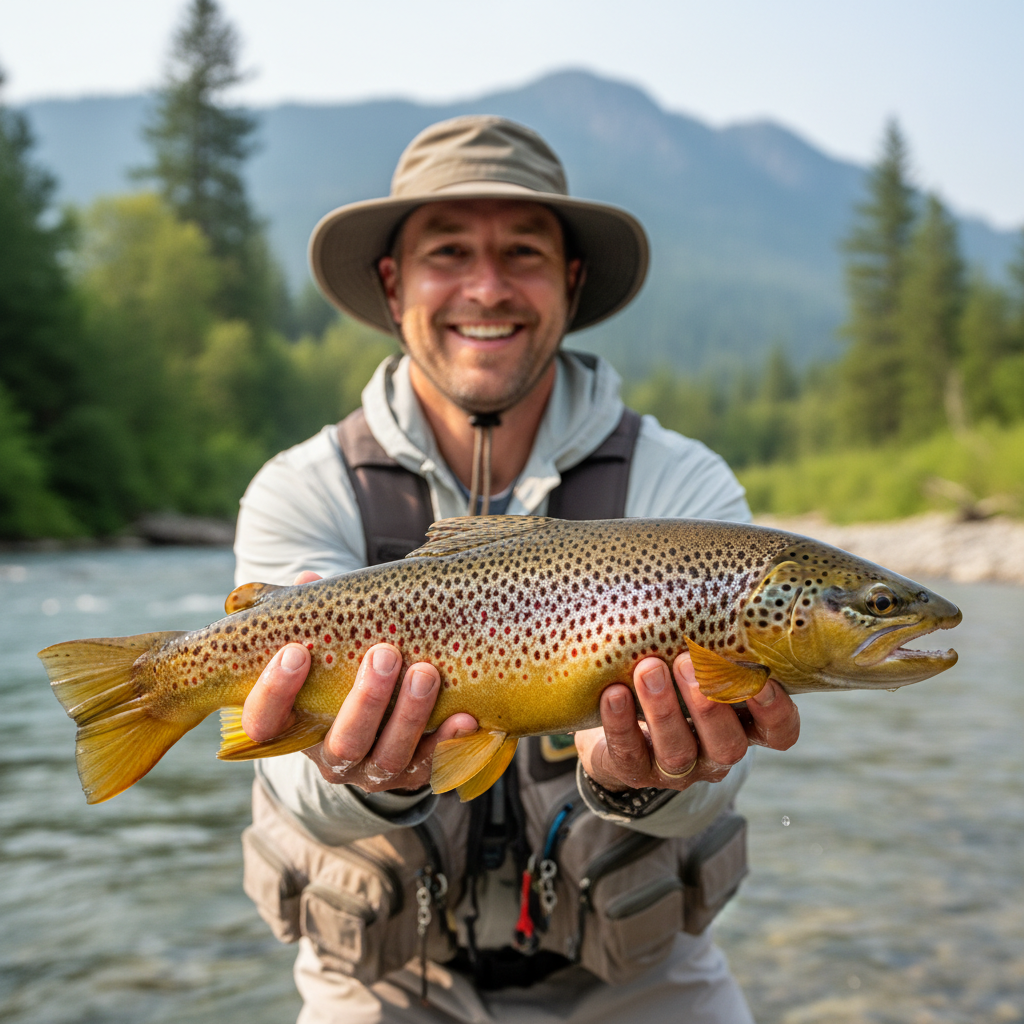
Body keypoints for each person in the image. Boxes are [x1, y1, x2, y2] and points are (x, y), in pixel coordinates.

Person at [233, 115, 800, 1024]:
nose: (486, 288)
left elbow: (716, 788)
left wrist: (642, 775)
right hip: (380, 980)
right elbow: (297, 794)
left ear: (571, 282)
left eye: (524, 254)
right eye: (448, 251)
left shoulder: (680, 485)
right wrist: (361, 771)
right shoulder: (303, 489)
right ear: (393, 283)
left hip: (638, 977)